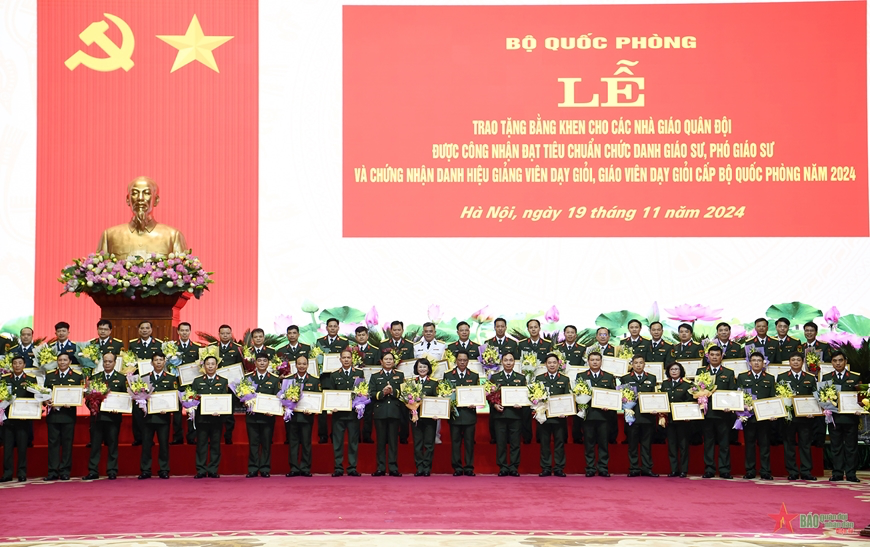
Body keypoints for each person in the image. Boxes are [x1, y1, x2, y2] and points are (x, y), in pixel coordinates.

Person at [96, 176, 187, 256]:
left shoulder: (173, 236)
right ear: (128, 199)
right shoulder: (110, 236)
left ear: (156, 200)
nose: (140, 198)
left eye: (146, 193)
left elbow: (182, 268)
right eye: (135, 193)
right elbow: (98, 268)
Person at [83, 353, 127, 481]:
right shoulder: (95, 378)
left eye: (110, 361)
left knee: (113, 444)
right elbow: (87, 398)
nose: (107, 364)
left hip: (113, 418)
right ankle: (93, 470)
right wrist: (92, 406)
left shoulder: (122, 378)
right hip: (98, 418)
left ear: (115, 363)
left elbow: (126, 399)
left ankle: (112, 470)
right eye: (105, 361)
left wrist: (120, 409)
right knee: (95, 445)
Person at [777, 352, 817, 480]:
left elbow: (815, 397)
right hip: (789, 417)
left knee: (805, 444)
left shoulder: (810, 378)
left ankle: (806, 471)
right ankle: (792, 471)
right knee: (789, 444)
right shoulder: (782, 377)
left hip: (805, 417)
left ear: (803, 362)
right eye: (793, 360)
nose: (795, 362)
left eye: (798, 360)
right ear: (789, 362)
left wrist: (813, 411)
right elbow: (778, 397)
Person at [43, 353, 83, 481]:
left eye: (65, 360)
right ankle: (52, 471)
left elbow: (80, 395)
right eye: (60, 360)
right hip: (53, 415)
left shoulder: (77, 376)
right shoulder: (50, 376)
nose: (62, 362)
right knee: (53, 443)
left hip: (68, 415)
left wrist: (72, 402)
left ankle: (65, 470)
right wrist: (45, 401)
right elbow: (44, 393)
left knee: (67, 443)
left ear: (70, 362)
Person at [736, 352, 775, 480]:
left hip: (764, 417)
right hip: (749, 417)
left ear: (764, 363)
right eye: (754, 360)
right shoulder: (742, 377)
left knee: (764, 445)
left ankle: (765, 471)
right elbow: (738, 396)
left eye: (759, 360)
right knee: (749, 445)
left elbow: (772, 398)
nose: (756, 363)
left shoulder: (769, 378)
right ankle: (750, 470)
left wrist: (773, 413)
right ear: (749, 363)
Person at [325, 349, 364, 477]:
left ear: (352, 359)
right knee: (338, 442)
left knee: (353, 442)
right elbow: (331, 393)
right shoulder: (334, 375)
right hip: (339, 415)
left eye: (348, 357)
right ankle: (338, 468)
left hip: (353, 414)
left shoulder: (359, 373)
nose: (346, 360)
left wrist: (360, 403)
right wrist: (331, 406)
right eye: (344, 357)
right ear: (340, 359)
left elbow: (363, 391)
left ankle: (352, 468)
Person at [139, 351, 177, 479]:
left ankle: (164, 469)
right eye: (156, 360)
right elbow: (139, 397)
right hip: (147, 417)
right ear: (151, 363)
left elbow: (174, 398)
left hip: (163, 417)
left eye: (161, 360)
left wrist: (168, 408)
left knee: (164, 444)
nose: (159, 362)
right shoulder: (144, 378)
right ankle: (145, 470)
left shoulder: (171, 378)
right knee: (146, 444)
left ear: (165, 362)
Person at [824, 350, 860, 482]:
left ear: (845, 361)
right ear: (831, 363)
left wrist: (860, 408)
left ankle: (851, 474)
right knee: (836, 447)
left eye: (840, 360)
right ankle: (837, 473)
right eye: (835, 361)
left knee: (851, 447)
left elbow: (861, 397)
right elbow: (823, 397)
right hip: (834, 418)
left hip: (851, 418)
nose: (838, 363)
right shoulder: (827, 378)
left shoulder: (855, 377)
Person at [701, 346, 736, 479]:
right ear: (708, 356)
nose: (714, 357)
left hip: (723, 414)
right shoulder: (701, 372)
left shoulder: (728, 373)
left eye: (717, 355)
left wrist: (730, 406)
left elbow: (732, 392)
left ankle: (724, 469)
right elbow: (696, 391)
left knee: (724, 443)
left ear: (722, 357)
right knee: (708, 442)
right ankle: (709, 469)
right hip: (707, 413)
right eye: (712, 355)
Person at [619, 355, 658, 477]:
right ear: (632, 364)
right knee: (632, 444)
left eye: (641, 362)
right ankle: (634, 468)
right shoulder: (625, 378)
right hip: (632, 416)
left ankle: (647, 468)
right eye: (636, 363)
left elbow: (655, 396)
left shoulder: (651, 378)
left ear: (644, 364)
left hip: (647, 417)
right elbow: (622, 397)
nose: (638, 365)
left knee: (646, 445)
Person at [191, 355, 228, 479]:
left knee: (215, 445)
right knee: (201, 444)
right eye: (208, 364)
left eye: (213, 364)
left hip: (217, 418)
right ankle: (201, 470)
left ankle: (213, 469)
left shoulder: (223, 381)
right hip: (202, 419)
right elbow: (193, 399)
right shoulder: (197, 381)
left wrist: (221, 410)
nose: (210, 366)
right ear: (204, 366)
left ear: (217, 366)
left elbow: (224, 399)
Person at [489, 353, 526, 477]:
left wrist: (521, 404)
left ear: (514, 362)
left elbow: (526, 396)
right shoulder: (495, 377)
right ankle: (503, 467)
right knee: (501, 443)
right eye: (506, 360)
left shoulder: (521, 378)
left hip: (515, 415)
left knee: (515, 443)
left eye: (511, 360)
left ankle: (514, 467)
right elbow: (489, 396)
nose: (508, 362)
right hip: (500, 415)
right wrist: (494, 405)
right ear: (502, 362)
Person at [369, 351, 405, 476]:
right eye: (386, 359)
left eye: (391, 359)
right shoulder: (375, 376)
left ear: (394, 362)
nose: (388, 361)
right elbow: (371, 393)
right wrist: (382, 393)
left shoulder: (400, 375)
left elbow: (404, 393)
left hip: (394, 411)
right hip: (380, 412)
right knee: (380, 441)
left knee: (393, 441)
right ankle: (381, 467)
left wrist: (393, 391)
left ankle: (393, 467)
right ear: (381, 361)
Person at [580, 352, 616, 477]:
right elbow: (577, 394)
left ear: (601, 361)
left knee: (603, 443)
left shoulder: (609, 376)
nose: (595, 362)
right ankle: (590, 468)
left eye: (597, 360)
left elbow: (613, 396)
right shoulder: (581, 376)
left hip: (604, 416)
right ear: (588, 361)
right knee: (589, 443)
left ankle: (603, 468)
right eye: (592, 360)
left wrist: (609, 405)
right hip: (588, 415)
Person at [1, 356, 35, 482]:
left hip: (23, 418)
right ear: (12, 365)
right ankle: (7, 473)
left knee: (22, 447)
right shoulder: (5, 379)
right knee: (7, 447)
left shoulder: (30, 379)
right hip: (8, 418)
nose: (17, 365)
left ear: (24, 365)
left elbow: (35, 398)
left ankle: (22, 472)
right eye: (15, 363)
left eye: (20, 363)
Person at [444, 350, 479, 476]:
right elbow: (444, 393)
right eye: (460, 360)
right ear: (456, 360)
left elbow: (478, 395)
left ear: (468, 361)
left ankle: (469, 467)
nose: (462, 362)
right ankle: (457, 467)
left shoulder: (474, 376)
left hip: (469, 414)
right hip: (455, 414)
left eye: (464, 360)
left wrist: (475, 402)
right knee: (455, 442)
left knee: (469, 443)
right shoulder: (448, 375)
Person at [245, 355, 281, 478]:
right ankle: (253, 468)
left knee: (266, 444)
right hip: (252, 417)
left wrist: (273, 410)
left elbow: (278, 398)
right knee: (253, 444)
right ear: (255, 363)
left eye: (264, 361)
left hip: (268, 418)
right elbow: (242, 396)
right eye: (259, 361)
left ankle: (265, 468)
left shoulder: (275, 379)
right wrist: (245, 402)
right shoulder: (248, 378)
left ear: (268, 363)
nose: (262, 363)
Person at [315, 319, 349, 444]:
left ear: (338, 328)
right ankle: (323, 435)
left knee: (337, 407)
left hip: (339, 379)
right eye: (330, 326)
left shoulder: (344, 342)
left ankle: (335, 434)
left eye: (335, 326)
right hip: (324, 379)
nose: (333, 328)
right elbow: (316, 358)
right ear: (326, 328)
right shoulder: (320, 341)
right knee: (323, 409)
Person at [379, 321, 414, 445]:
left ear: (402, 330)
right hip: (387, 379)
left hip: (403, 380)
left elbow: (411, 363)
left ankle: (404, 436)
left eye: (399, 330)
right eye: (394, 330)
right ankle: (387, 437)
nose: (397, 332)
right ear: (390, 331)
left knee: (404, 410)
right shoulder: (383, 345)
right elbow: (380, 361)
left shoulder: (409, 345)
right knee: (388, 409)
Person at [129, 320, 162, 446]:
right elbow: (129, 361)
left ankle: (149, 438)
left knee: (151, 409)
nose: (144, 330)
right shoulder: (133, 344)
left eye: (147, 328)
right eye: (142, 328)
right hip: (138, 381)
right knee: (137, 410)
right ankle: (138, 437)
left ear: (151, 330)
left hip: (153, 380)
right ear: (138, 330)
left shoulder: (158, 344)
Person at [537, 353, 569, 477]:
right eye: (549, 362)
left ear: (558, 364)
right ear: (545, 364)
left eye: (554, 362)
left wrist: (565, 411)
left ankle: (559, 468)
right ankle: (546, 467)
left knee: (559, 443)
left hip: (559, 418)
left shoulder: (564, 379)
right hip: (544, 417)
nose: (552, 365)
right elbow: (535, 397)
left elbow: (567, 398)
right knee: (544, 443)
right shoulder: (539, 379)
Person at [286, 355, 320, 477]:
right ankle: (294, 468)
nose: (301, 366)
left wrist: (313, 410)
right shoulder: (289, 380)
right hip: (293, 416)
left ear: (308, 365)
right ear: (295, 365)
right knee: (293, 443)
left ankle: (305, 468)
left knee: (306, 443)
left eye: (304, 364)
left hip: (307, 417)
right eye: (299, 364)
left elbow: (317, 399)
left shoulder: (314, 380)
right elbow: (283, 397)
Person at [277, 324, 310, 444]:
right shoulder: (281, 351)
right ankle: (289, 437)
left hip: (305, 382)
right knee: (289, 409)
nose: (292, 335)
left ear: (298, 334)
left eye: (294, 333)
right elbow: (278, 368)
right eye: (289, 333)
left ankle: (302, 438)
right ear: (286, 335)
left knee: (302, 409)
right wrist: (280, 376)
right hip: (288, 383)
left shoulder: (307, 348)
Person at [210, 324, 243, 444]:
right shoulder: (212, 348)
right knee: (214, 411)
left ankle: (228, 435)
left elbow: (241, 367)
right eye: (222, 333)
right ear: (218, 334)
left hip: (231, 387)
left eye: (227, 333)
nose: (225, 335)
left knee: (229, 413)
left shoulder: (238, 349)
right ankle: (214, 437)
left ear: (231, 334)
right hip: (214, 385)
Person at [555, 325, 587, 444]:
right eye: (567, 332)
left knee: (579, 408)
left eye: (572, 332)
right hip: (561, 382)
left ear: (576, 334)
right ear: (564, 334)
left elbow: (584, 366)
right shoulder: (558, 348)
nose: (570, 334)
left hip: (577, 383)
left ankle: (577, 435)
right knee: (562, 408)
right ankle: (562, 436)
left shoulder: (582, 348)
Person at [661, 362, 691, 477]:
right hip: (669, 419)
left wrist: (688, 415)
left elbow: (690, 402)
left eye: (676, 369)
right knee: (672, 445)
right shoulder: (665, 384)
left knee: (683, 446)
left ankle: (683, 470)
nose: (674, 371)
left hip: (683, 420)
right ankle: (674, 470)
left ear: (681, 371)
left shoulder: (687, 385)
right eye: (671, 369)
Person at [173, 322, 201, 445]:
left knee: (192, 410)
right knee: (177, 413)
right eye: (182, 330)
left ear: (190, 331)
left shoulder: (197, 348)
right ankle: (177, 437)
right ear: (178, 332)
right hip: (176, 383)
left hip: (191, 384)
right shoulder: (172, 348)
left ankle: (191, 436)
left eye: (187, 330)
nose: (184, 333)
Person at [589, 327, 617, 444]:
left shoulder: (615, 350)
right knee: (589, 440)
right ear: (596, 336)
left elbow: (612, 392)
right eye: (600, 334)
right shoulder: (589, 349)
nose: (602, 336)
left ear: (609, 337)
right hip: (590, 412)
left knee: (604, 439)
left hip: (605, 411)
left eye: (605, 334)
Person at [352, 325, 380, 443]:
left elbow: (377, 368)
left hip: (369, 385)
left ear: (367, 336)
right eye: (359, 335)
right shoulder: (351, 350)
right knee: (355, 410)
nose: (361, 337)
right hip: (355, 385)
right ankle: (356, 435)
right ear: (356, 337)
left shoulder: (375, 350)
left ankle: (367, 435)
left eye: (363, 335)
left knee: (368, 411)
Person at [411, 358, 439, 476]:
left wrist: (437, 413)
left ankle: (427, 467)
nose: (422, 369)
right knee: (417, 444)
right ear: (416, 369)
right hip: (415, 417)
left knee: (429, 444)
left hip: (430, 418)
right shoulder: (411, 383)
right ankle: (419, 467)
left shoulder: (434, 383)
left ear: (428, 369)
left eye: (424, 367)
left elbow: (438, 400)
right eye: (420, 367)